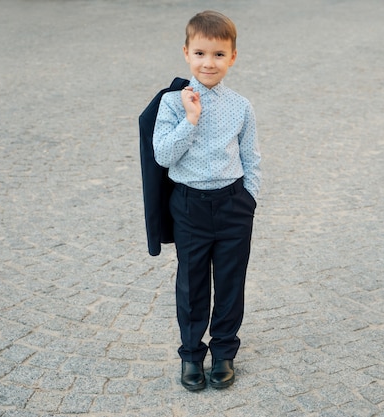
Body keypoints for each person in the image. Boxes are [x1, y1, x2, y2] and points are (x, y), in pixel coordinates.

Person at [152, 10, 261, 391]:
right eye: (200, 53)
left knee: (231, 281)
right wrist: (191, 119)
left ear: (232, 57)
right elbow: (163, 156)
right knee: (192, 282)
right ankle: (191, 356)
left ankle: (225, 352)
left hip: (233, 204)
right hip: (189, 205)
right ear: (186, 53)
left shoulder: (241, 105)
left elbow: (251, 156)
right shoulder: (171, 104)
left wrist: (251, 198)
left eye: (218, 54)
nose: (208, 62)